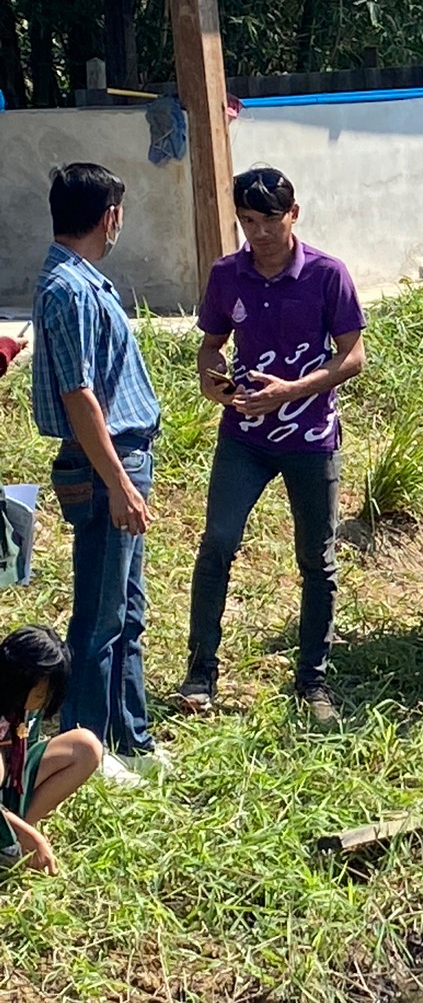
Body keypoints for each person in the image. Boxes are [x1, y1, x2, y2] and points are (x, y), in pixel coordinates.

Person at [175, 169, 366, 723]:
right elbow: (212, 344)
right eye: (248, 221)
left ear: (294, 214)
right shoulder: (226, 275)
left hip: (311, 438)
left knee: (317, 559)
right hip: (245, 436)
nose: (258, 233)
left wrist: (294, 390)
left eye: (269, 220)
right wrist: (212, 378)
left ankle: (312, 682)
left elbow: (353, 355)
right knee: (217, 544)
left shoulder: (327, 275)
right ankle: (201, 671)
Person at [31, 163, 161, 786]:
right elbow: (79, 395)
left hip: (122, 456)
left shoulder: (82, 282)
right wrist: (119, 482)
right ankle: (88, 745)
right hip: (104, 461)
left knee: (127, 611)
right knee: (100, 615)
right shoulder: (70, 290)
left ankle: (130, 737)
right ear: (109, 217)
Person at [0, 626, 104, 873]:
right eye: (40, 694)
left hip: (13, 783)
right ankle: (13, 838)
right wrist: (33, 837)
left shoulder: (25, 706)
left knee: (86, 746)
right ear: (18, 679)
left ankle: (12, 840)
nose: (43, 701)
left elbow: (27, 749)